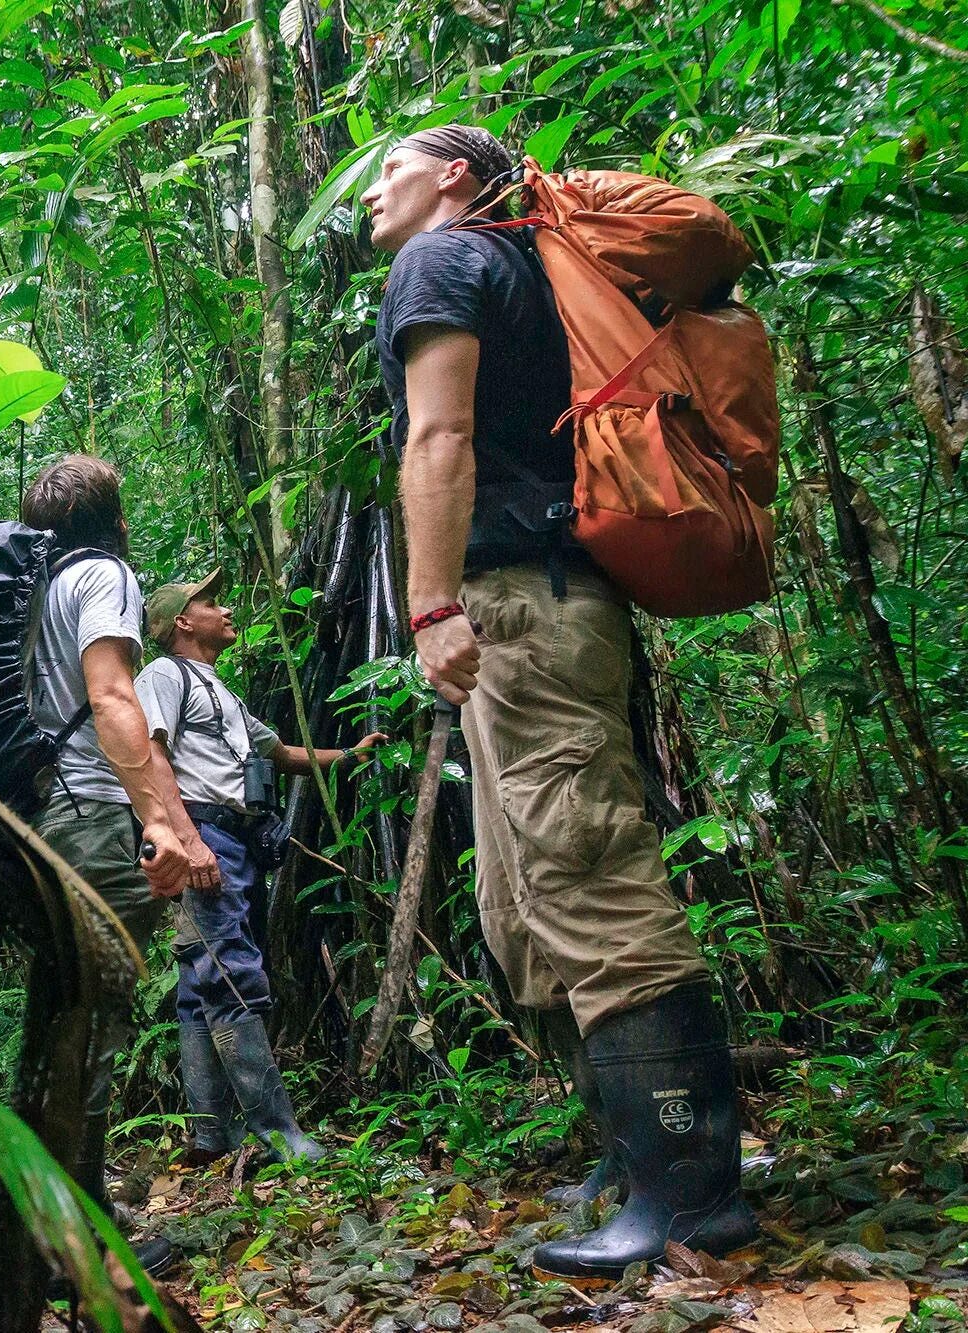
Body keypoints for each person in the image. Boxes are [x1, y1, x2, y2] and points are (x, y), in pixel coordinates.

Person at [360, 124, 757, 1280]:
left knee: (584, 876)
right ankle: (631, 1164)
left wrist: (429, 607)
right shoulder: (527, 270)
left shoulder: (443, 260)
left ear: (450, 177)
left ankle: (687, 1194)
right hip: (552, 600)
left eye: (390, 167)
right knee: (527, 895)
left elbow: (436, 433)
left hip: (516, 606)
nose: (372, 190)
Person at [19, 454, 216, 1219]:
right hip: (97, 817)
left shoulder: (34, 592)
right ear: (117, 520)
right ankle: (85, 1226)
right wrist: (161, 823)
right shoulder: (105, 575)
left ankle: (57, 1206)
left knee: (65, 1011)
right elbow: (111, 695)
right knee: (94, 1016)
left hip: (48, 817)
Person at [137, 572, 382, 1165]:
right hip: (204, 832)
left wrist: (348, 755)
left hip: (237, 838)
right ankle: (277, 1133)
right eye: (209, 603)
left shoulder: (221, 691)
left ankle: (211, 1137)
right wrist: (186, 839)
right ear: (181, 623)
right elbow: (150, 754)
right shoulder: (164, 675)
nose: (224, 610)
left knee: (202, 986)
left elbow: (281, 754)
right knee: (232, 976)